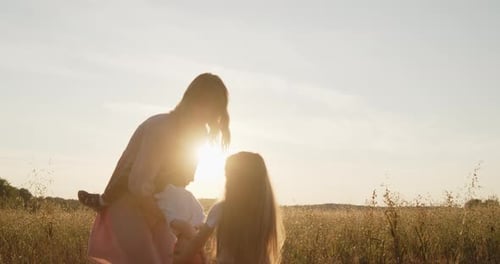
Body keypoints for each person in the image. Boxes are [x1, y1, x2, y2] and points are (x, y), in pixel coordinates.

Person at [83, 73, 231, 264]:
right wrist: (175, 221)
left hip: (157, 211)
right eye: (208, 111)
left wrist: (177, 221)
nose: (208, 122)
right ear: (194, 102)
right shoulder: (160, 127)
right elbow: (137, 185)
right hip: (127, 206)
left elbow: (178, 184)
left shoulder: (197, 135)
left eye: (213, 116)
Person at [174, 152, 284, 264]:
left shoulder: (222, 210)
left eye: (228, 176)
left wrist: (175, 260)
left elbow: (195, 246)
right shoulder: (266, 214)